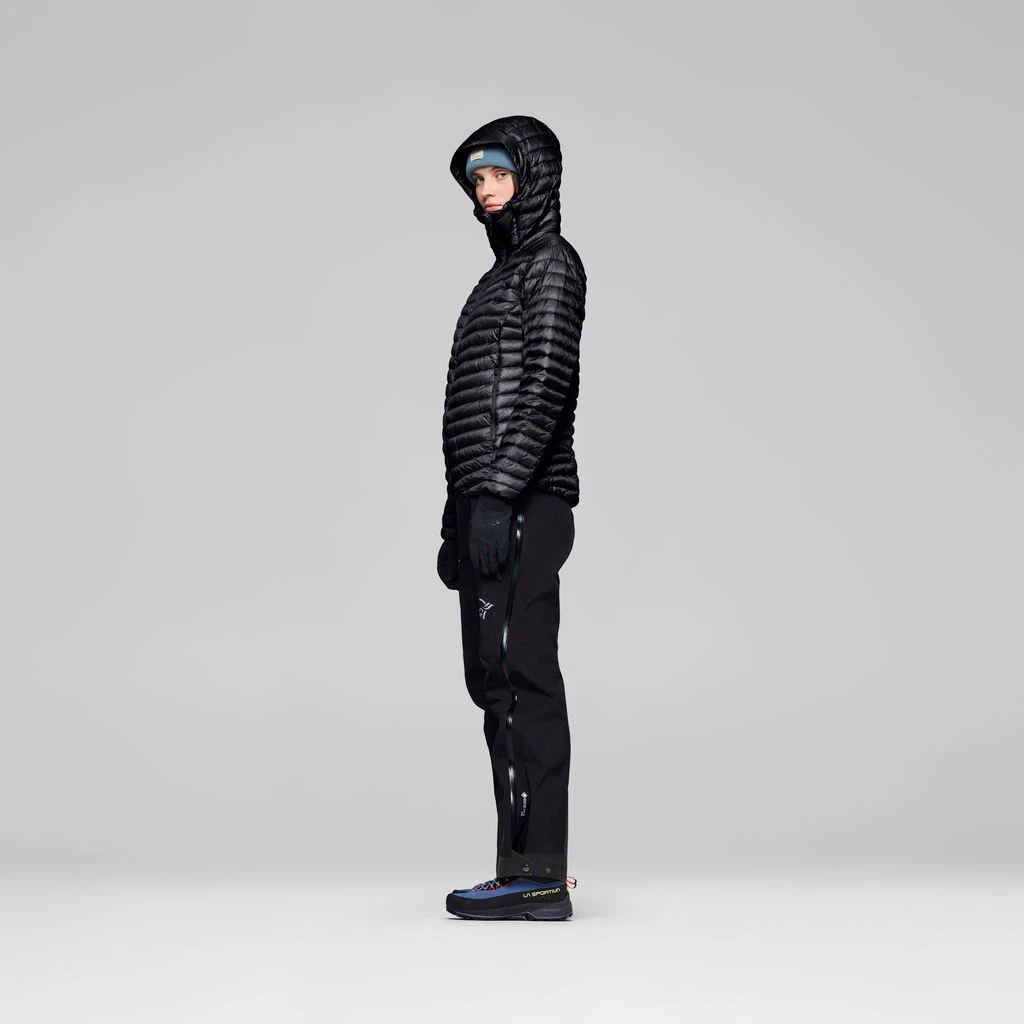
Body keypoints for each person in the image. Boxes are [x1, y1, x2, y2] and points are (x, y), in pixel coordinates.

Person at [436, 115, 587, 921]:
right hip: (487, 505)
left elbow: (546, 385)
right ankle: (517, 868)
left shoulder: (553, 265)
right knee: (492, 683)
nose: (484, 189)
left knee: (524, 679)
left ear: (533, 174)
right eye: (476, 179)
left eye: (496, 172)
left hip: (527, 501)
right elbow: (474, 412)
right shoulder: (496, 280)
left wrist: (498, 495)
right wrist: (456, 517)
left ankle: (543, 875)